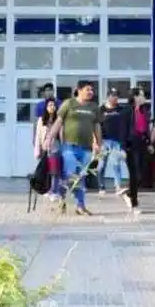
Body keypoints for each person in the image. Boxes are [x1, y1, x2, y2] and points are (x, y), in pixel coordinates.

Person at [43, 80, 102, 216]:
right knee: (70, 174)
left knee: (80, 177)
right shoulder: (68, 104)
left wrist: (99, 144)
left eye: (92, 90)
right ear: (79, 90)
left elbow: (97, 126)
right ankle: (62, 201)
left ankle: (80, 206)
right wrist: (49, 138)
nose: (91, 92)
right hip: (69, 147)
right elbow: (58, 122)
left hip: (86, 148)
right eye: (88, 89)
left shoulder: (94, 107)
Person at [120, 87, 150, 215]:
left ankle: (129, 194)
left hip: (142, 144)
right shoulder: (126, 111)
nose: (144, 97)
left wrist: (149, 142)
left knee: (141, 174)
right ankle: (134, 201)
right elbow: (122, 130)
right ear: (135, 97)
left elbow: (145, 128)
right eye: (142, 95)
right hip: (130, 146)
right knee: (135, 174)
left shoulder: (144, 110)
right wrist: (123, 147)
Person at [33, 97, 63, 202]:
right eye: (50, 105)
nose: (52, 107)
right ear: (46, 107)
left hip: (55, 147)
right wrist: (37, 150)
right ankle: (47, 190)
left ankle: (54, 191)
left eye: (54, 105)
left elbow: (62, 135)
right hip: (45, 149)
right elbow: (37, 136)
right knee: (46, 171)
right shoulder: (41, 120)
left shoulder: (59, 119)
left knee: (54, 170)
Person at [97, 87, 126, 195]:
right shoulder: (101, 110)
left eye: (117, 95)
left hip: (116, 141)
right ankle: (101, 186)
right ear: (108, 97)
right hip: (104, 141)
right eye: (113, 95)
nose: (115, 98)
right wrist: (96, 142)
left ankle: (118, 186)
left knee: (116, 163)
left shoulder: (120, 109)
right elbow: (96, 126)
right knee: (101, 165)